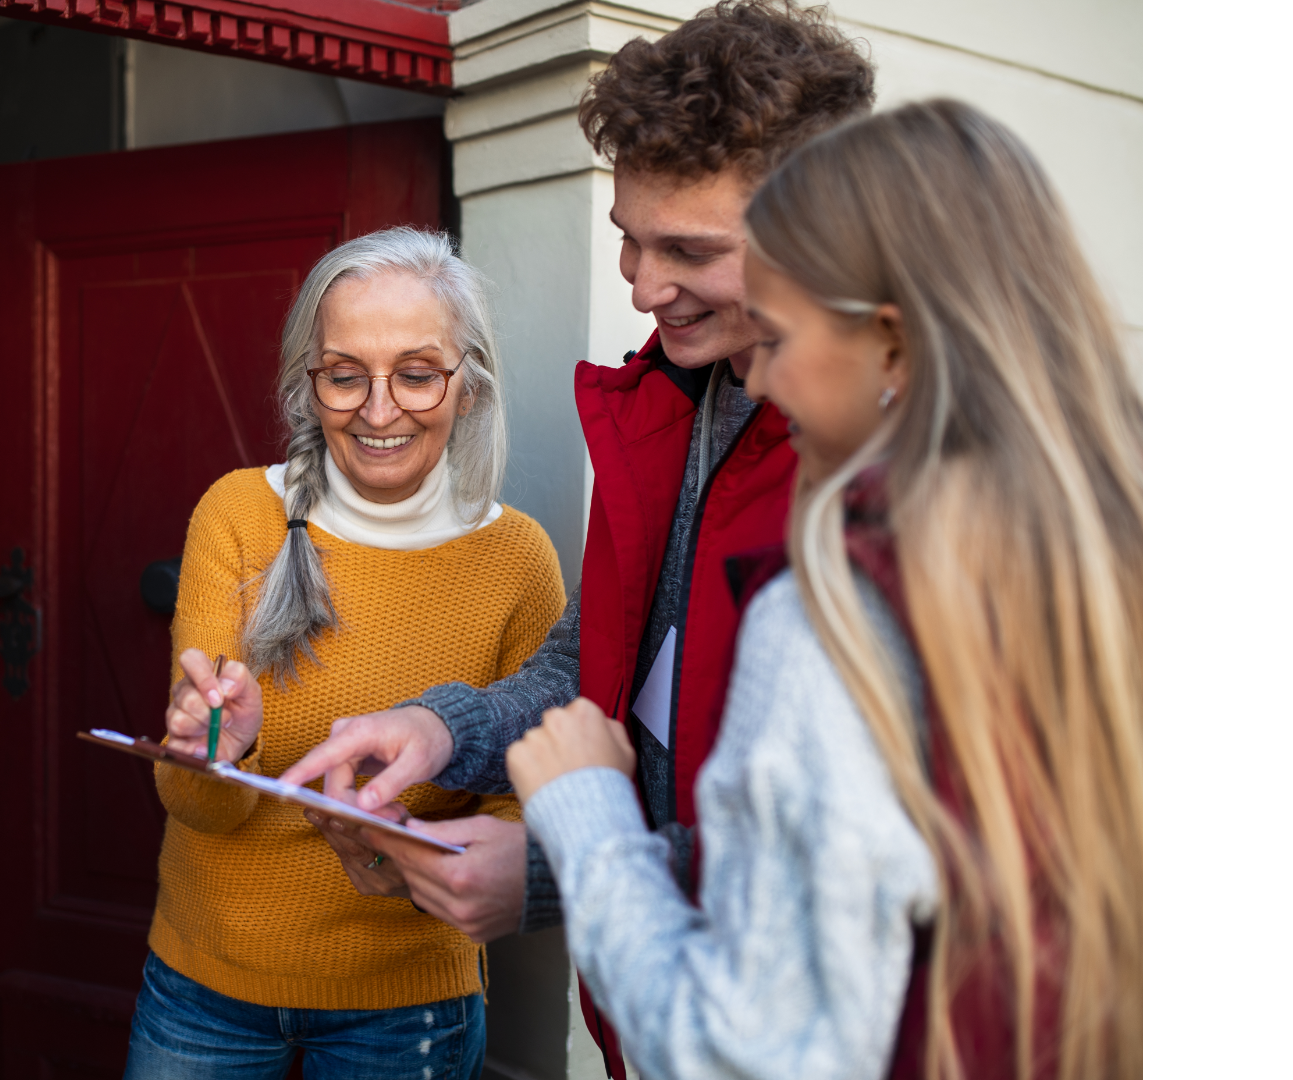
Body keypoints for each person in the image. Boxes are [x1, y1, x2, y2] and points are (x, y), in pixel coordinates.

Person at [282, 4, 873, 1071]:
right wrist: (441, 728)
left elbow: (864, 846)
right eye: (629, 242)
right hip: (652, 1003)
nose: (643, 289)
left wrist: (560, 867)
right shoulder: (675, 398)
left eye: (688, 249)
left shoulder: (876, 459)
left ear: (823, 228)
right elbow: (608, 657)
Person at [506, 99, 1142, 1079]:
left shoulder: (834, 614)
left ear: (890, 345)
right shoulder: (1111, 551)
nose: (759, 373)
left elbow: (740, 1052)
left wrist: (585, 817)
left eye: (782, 332)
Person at [121, 227, 567, 1079]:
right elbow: (198, 802)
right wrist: (220, 747)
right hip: (205, 981)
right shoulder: (237, 517)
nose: (378, 408)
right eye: (345, 374)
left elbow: (523, 802)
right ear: (309, 385)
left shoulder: (519, 561)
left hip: (407, 1006)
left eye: (416, 372)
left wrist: (418, 856)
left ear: (467, 386)